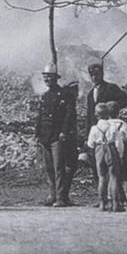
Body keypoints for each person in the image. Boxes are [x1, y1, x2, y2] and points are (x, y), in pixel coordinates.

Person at [34, 63, 76, 207]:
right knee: (49, 167)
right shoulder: (44, 96)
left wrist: (64, 131)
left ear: (55, 78)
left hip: (58, 135)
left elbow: (68, 115)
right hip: (45, 135)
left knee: (59, 167)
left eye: (49, 77)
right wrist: (37, 134)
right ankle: (52, 194)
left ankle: (60, 197)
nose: (47, 80)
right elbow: (40, 116)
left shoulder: (65, 94)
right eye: (45, 77)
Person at [106, 101, 127, 211]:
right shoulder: (123, 124)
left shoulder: (104, 124)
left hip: (110, 155)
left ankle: (111, 202)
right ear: (118, 112)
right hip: (122, 154)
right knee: (125, 179)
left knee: (111, 178)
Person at [85, 63, 127, 136]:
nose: (94, 77)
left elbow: (126, 100)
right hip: (97, 130)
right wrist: (87, 135)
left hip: (110, 128)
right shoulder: (90, 94)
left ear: (102, 74)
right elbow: (89, 115)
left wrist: (111, 109)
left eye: (96, 74)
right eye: (92, 75)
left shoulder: (110, 88)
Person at [87, 103, 117, 211]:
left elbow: (90, 144)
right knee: (113, 177)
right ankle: (115, 203)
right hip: (111, 149)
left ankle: (102, 204)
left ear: (96, 115)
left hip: (99, 150)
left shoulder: (94, 128)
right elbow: (116, 140)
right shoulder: (112, 126)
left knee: (102, 177)